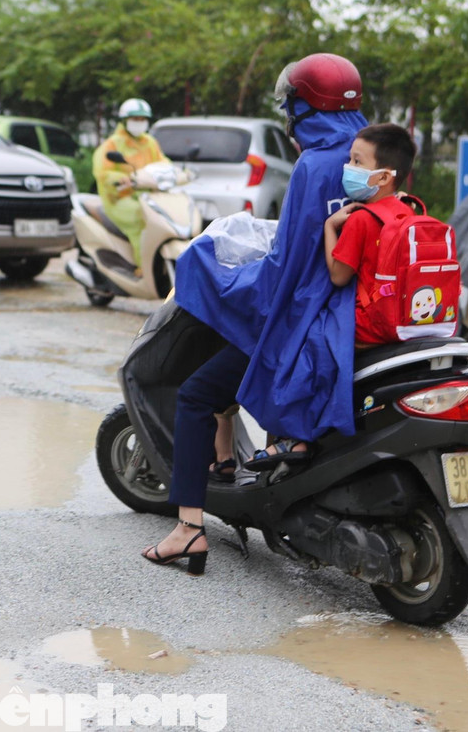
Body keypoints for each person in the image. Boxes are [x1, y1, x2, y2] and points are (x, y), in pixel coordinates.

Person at [140, 54, 368, 575]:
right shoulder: (365, 152)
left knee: (197, 391)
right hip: (355, 311)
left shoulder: (313, 163)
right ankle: (231, 463)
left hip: (307, 315)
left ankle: (189, 528)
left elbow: (286, 269)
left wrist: (224, 275)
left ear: (303, 105)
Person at [323, 123, 418, 344]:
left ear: (383, 178)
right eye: (350, 160)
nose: (348, 167)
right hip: (407, 319)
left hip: (371, 328)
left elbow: (338, 276)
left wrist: (329, 227)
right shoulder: (408, 209)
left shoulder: (360, 219)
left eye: (357, 162)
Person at [92, 98, 170, 273]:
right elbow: (103, 172)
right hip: (119, 197)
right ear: (124, 120)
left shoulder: (149, 142)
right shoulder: (113, 144)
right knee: (141, 220)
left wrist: (176, 172)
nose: (139, 123)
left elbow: (162, 162)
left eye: (143, 119)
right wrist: (121, 178)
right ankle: (142, 267)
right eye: (135, 119)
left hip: (147, 195)